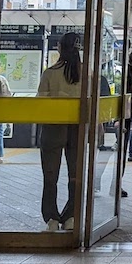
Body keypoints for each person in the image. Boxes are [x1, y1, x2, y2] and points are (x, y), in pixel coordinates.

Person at [36, 32, 82, 231]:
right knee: (75, 174)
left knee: (50, 174)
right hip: (77, 128)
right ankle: (71, 215)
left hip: (53, 126)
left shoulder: (50, 72)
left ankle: (52, 218)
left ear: (60, 49)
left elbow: (41, 102)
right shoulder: (86, 74)